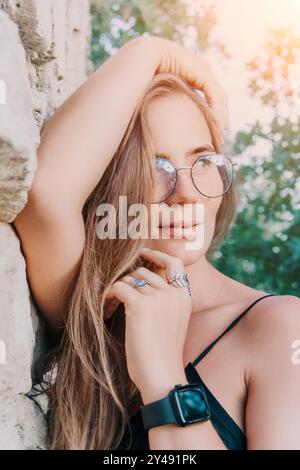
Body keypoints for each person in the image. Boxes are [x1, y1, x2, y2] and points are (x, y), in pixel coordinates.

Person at [12, 35, 300, 450]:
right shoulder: (95, 308)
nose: (186, 192)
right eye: (154, 166)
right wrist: (152, 52)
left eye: (203, 161)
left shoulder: (279, 328)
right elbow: (43, 193)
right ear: (112, 188)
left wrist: (163, 376)